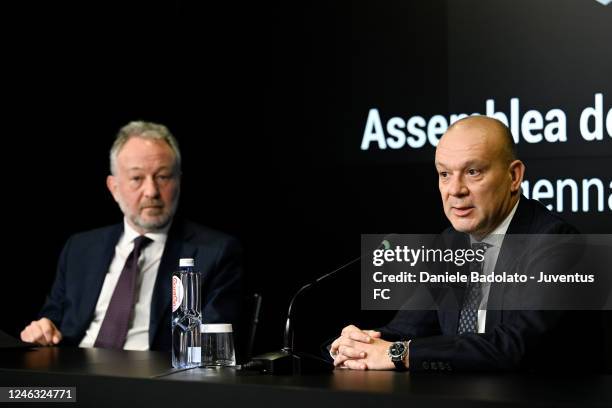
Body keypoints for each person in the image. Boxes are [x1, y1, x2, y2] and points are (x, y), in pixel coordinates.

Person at [330, 115, 602, 371]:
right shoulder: (449, 243)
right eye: (444, 174)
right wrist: (357, 346)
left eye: (472, 172)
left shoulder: (555, 242)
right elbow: (405, 331)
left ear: (514, 177)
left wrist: (399, 353)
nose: (455, 190)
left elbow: (514, 346)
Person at [20, 121, 242, 351]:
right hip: (75, 371)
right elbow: (51, 321)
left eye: (163, 176)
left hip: (154, 379)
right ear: (114, 187)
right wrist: (42, 330)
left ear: (179, 182)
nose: (152, 191)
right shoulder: (80, 248)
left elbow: (213, 346)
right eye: (137, 178)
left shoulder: (215, 252)